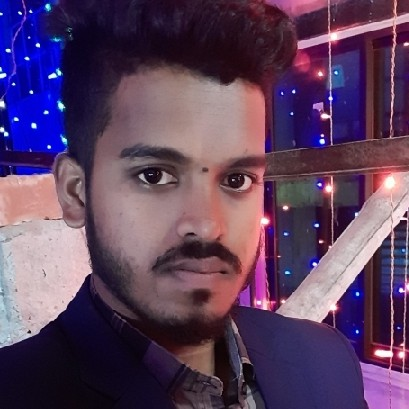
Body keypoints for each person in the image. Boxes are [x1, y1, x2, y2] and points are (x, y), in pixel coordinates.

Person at [0, 0, 368, 408]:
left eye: (236, 179)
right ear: (75, 192)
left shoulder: (326, 360)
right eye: (154, 175)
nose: (207, 225)